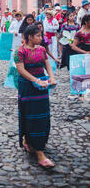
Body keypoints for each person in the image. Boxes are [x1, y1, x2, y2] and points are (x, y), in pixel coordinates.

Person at [14, 25, 57, 168]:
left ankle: (38, 144)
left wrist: (51, 77)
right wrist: (36, 80)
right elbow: (21, 70)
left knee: (42, 115)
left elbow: (47, 64)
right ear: (30, 37)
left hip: (42, 87)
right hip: (27, 86)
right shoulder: (19, 51)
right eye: (38, 36)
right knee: (29, 115)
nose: (41, 38)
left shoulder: (42, 49)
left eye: (41, 35)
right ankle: (38, 152)